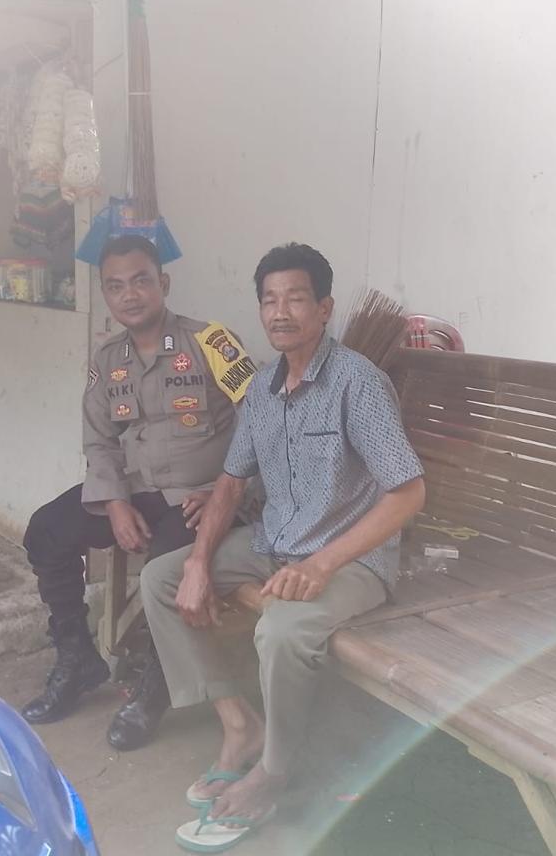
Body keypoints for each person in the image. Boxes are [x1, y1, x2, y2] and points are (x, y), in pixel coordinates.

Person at [140, 242, 426, 850]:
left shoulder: (358, 383)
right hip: (276, 543)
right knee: (161, 579)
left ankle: (274, 773)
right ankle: (238, 725)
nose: (280, 312)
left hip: (350, 560)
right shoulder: (263, 389)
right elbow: (230, 483)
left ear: (324, 309)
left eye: (296, 298)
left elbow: (408, 494)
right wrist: (198, 562)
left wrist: (323, 563)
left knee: (282, 629)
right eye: (269, 300)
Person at [22, 234, 258, 751]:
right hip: (134, 490)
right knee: (46, 530)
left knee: (166, 563)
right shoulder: (109, 359)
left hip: (199, 496)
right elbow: (99, 440)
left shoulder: (212, 342)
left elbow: (264, 420)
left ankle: (158, 681)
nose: (129, 295)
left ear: (163, 284)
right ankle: (77, 657)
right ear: (106, 295)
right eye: (115, 286)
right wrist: (114, 502)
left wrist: (228, 490)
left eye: (140, 281)